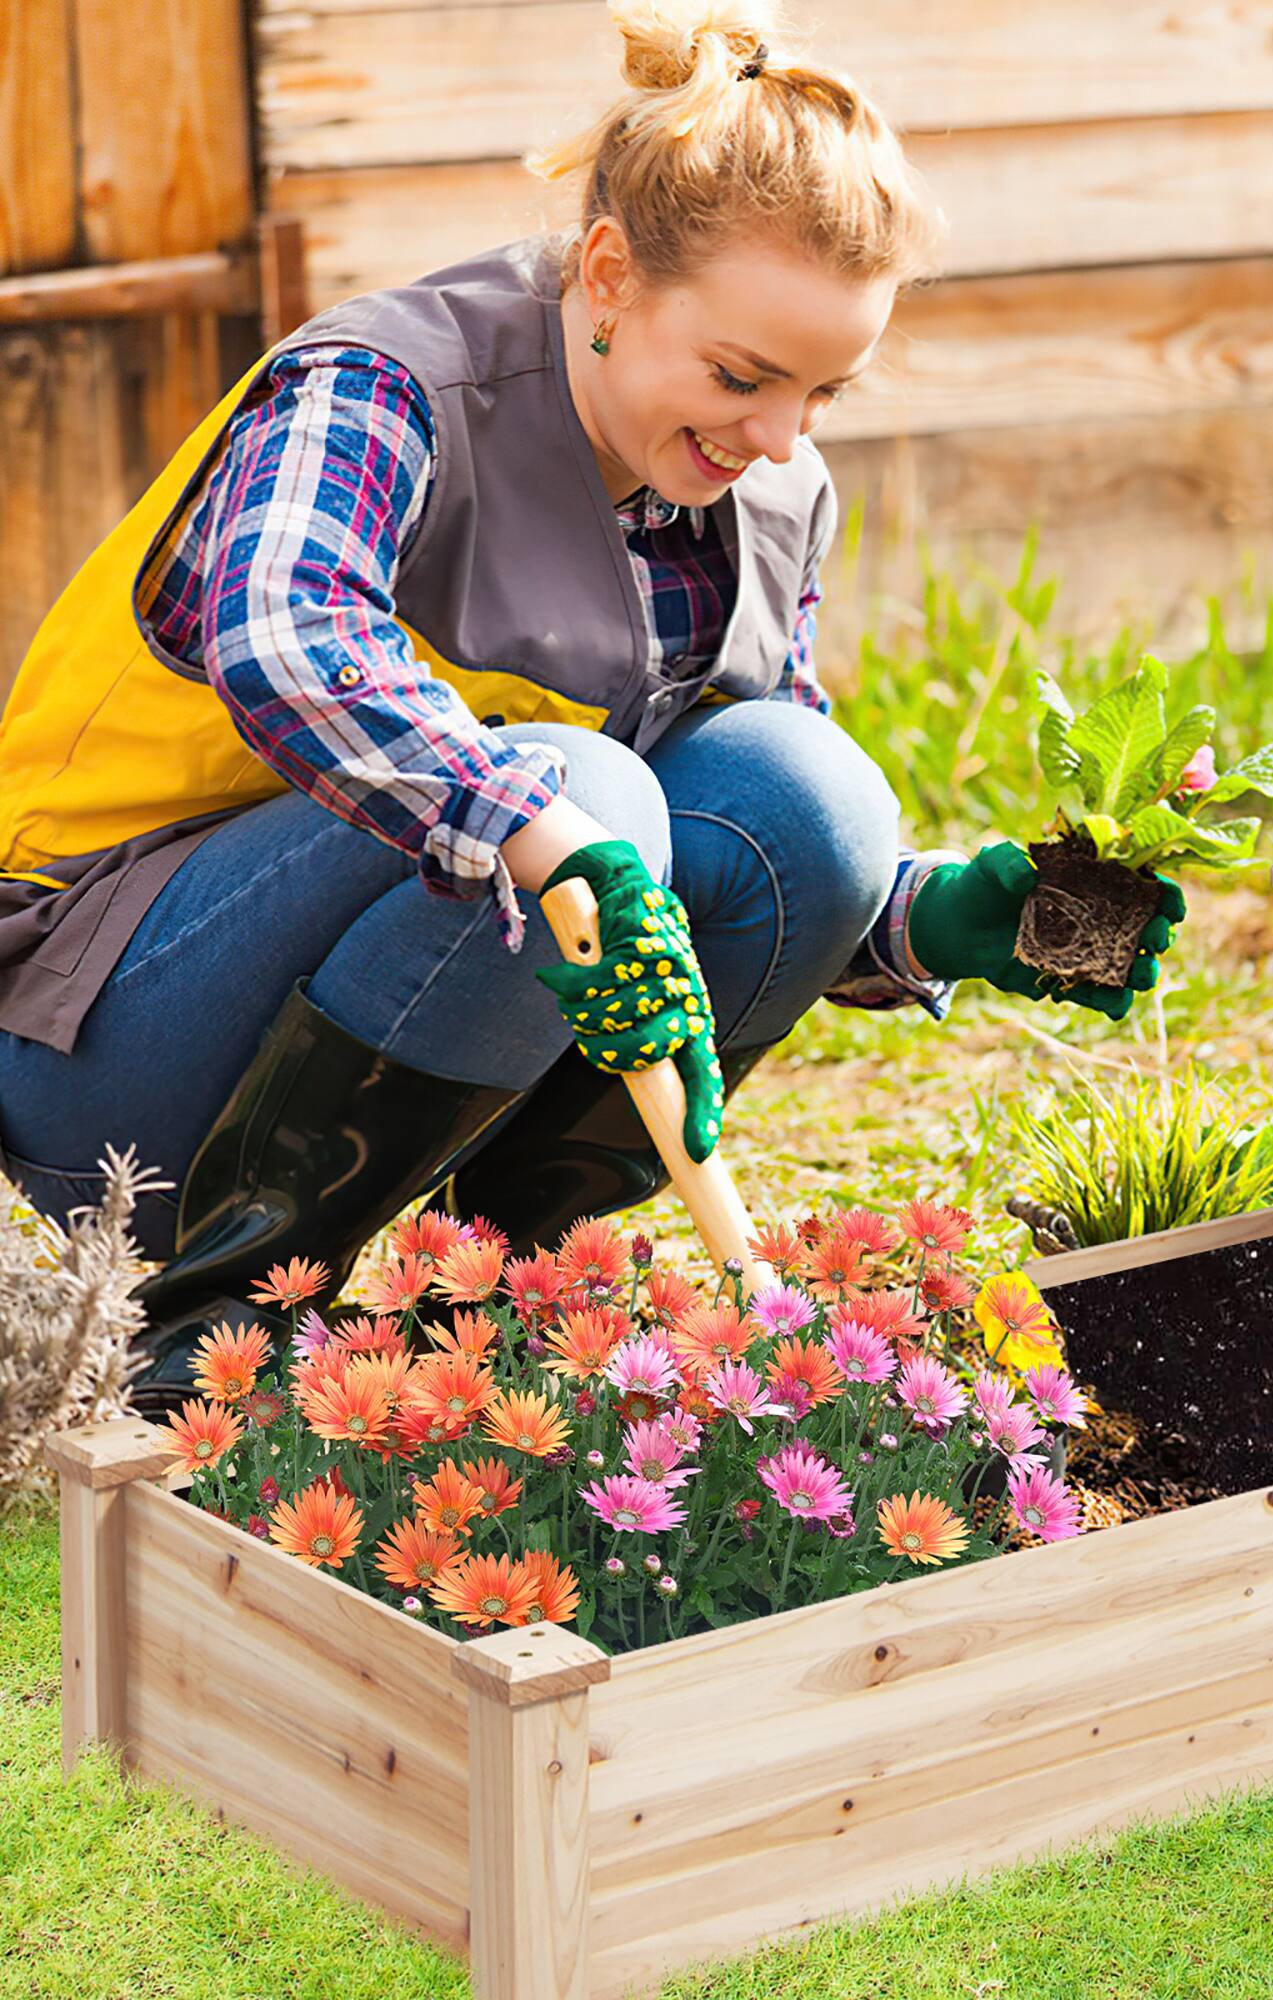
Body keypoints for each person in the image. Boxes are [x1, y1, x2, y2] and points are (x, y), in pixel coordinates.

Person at [0, 0, 1184, 1407]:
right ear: (610, 277)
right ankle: (199, 1352)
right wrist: (539, 826)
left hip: (412, 999)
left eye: (825, 391)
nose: (779, 437)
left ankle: (490, 1294)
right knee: (584, 797)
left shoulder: (763, 485)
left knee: (810, 792)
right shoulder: (388, 389)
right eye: (743, 377)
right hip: (108, 1034)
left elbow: (743, 848)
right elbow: (284, 638)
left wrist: (940, 914)